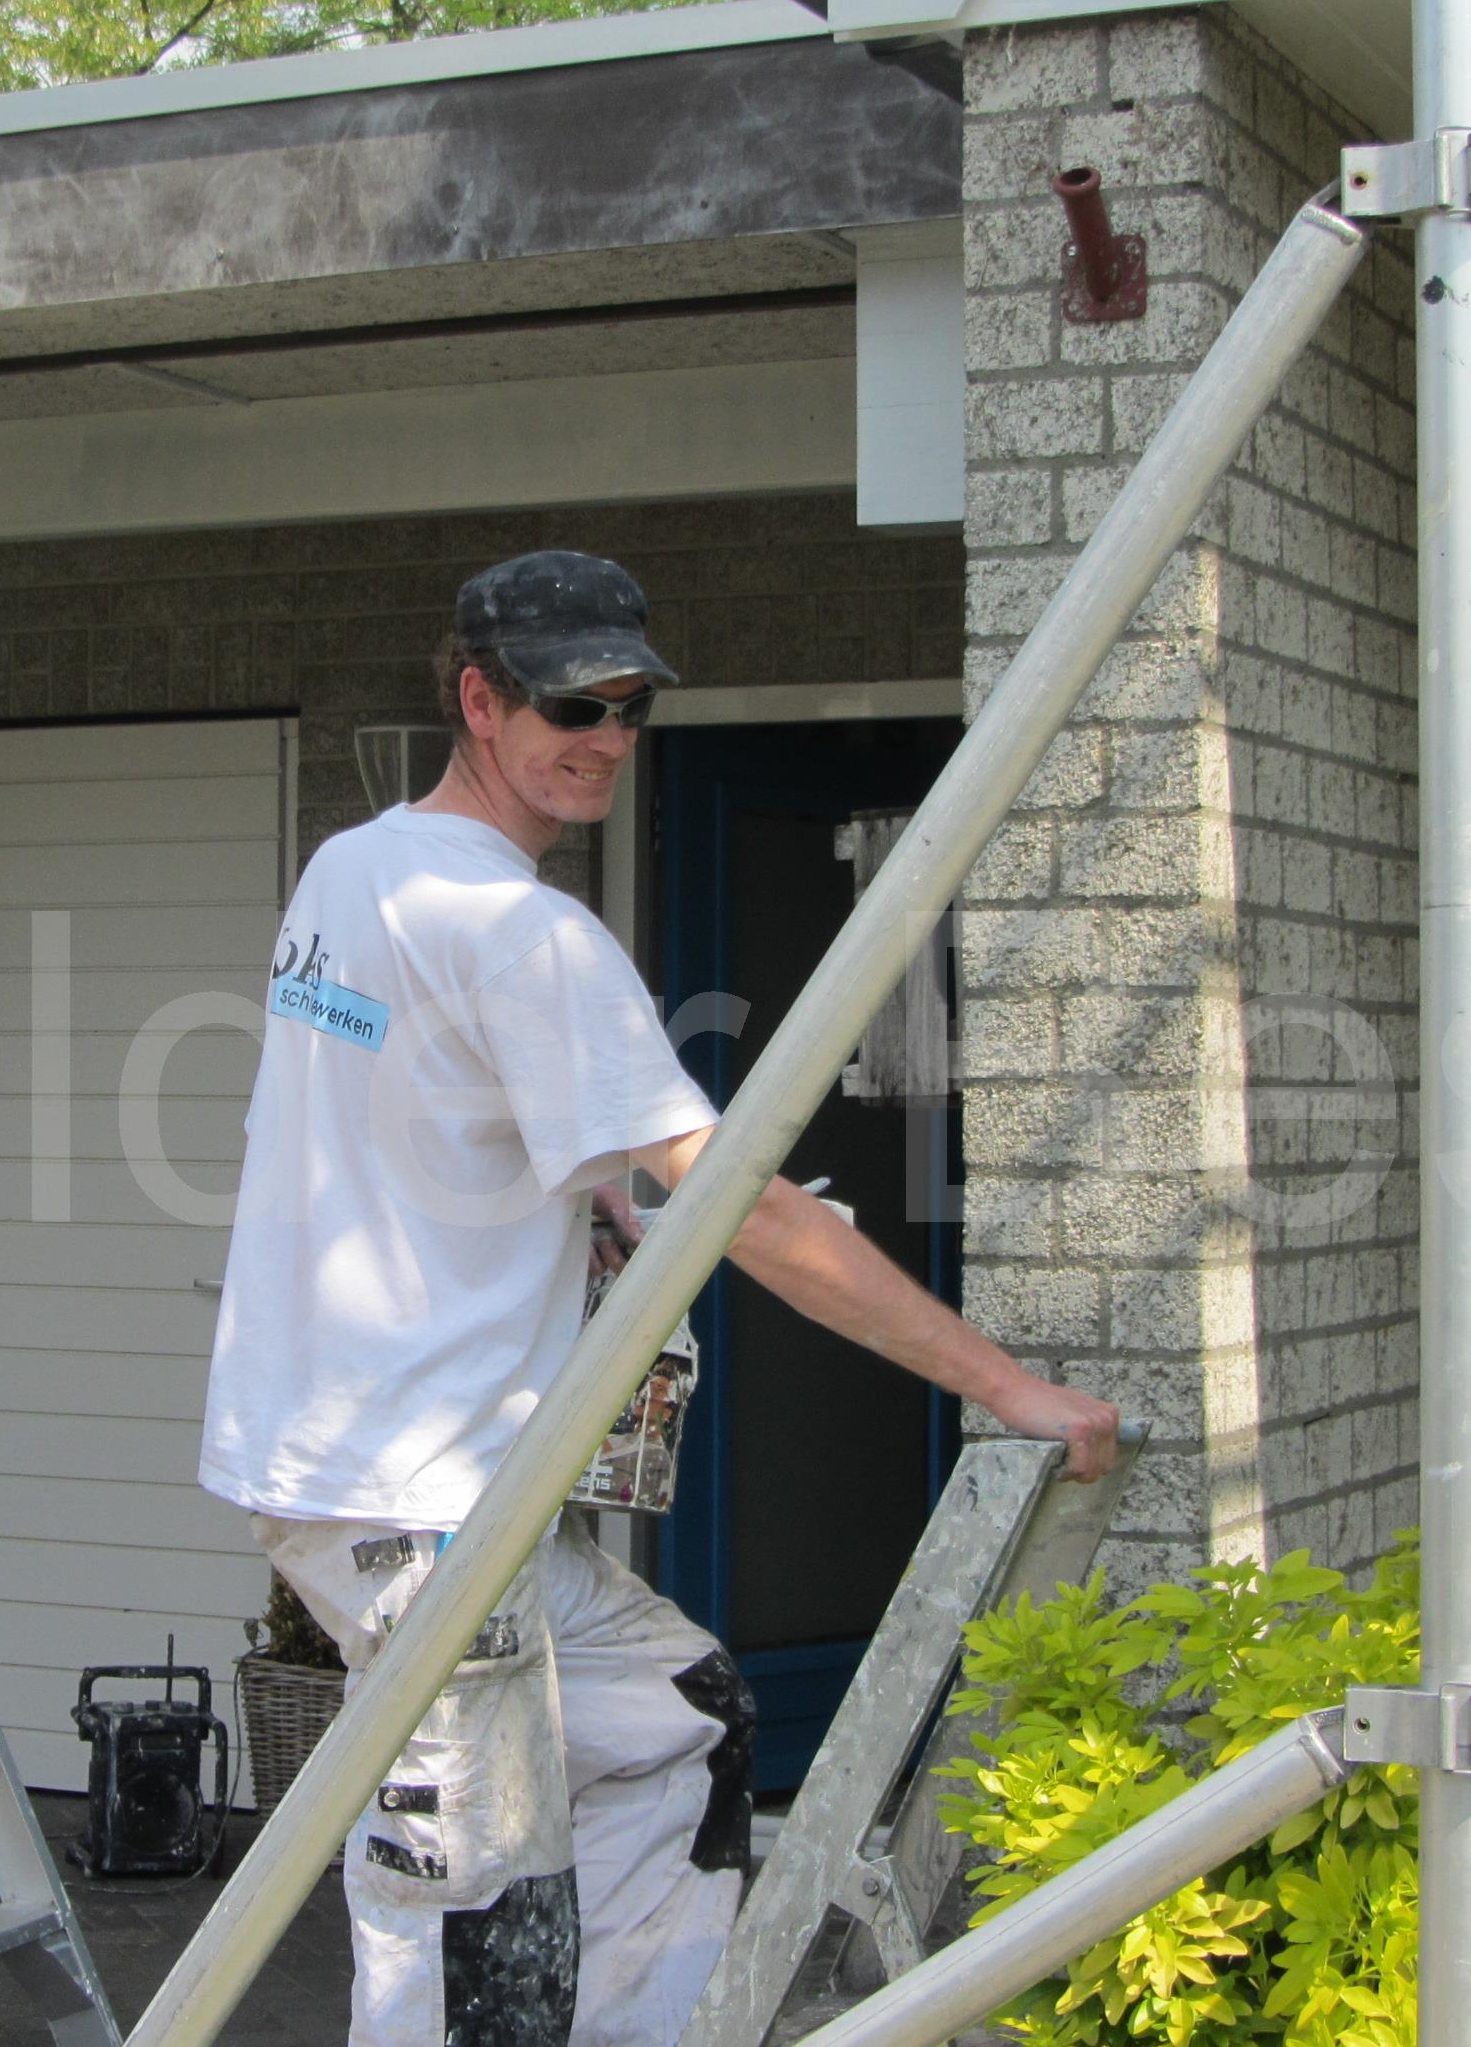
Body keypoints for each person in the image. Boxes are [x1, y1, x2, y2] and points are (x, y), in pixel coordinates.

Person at [198, 550, 1123, 2047]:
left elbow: (414, 1113)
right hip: (413, 1508)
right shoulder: (524, 935)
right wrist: (1001, 1387)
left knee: (682, 1726)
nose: (609, 740)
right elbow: (746, 1203)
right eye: (574, 705)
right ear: (478, 700)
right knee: (470, 1912)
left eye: (631, 707)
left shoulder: (356, 870)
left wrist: (595, 1203)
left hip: (388, 1474)